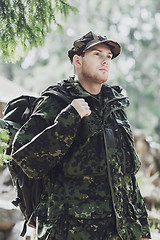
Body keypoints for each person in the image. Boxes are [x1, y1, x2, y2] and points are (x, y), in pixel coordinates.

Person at [11, 31, 151, 240]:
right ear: (77, 60)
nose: (105, 61)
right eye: (97, 54)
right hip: (70, 233)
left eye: (109, 57)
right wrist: (69, 119)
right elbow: (28, 161)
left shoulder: (115, 108)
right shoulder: (56, 102)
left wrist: (143, 231)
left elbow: (127, 176)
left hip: (120, 234)